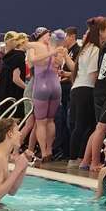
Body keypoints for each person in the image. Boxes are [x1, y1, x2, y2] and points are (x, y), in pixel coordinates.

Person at [68, 16, 106, 165]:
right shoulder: (95, 49)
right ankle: (77, 157)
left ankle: (75, 157)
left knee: (79, 125)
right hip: (86, 89)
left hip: (77, 87)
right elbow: (93, 74)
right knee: (86, 126)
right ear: (100, 32)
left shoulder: (85, 48)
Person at [26, 27, 66, 160]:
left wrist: (51, 53)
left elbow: (32, 60)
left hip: (41, 86)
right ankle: (49, 150)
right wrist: (54, 52)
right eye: (47, 34)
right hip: (55, 86)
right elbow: (59, 63)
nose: (49, 36)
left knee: (41, 122)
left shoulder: (35, 46)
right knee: (50, 121)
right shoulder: (57, 48)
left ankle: (44, 152)